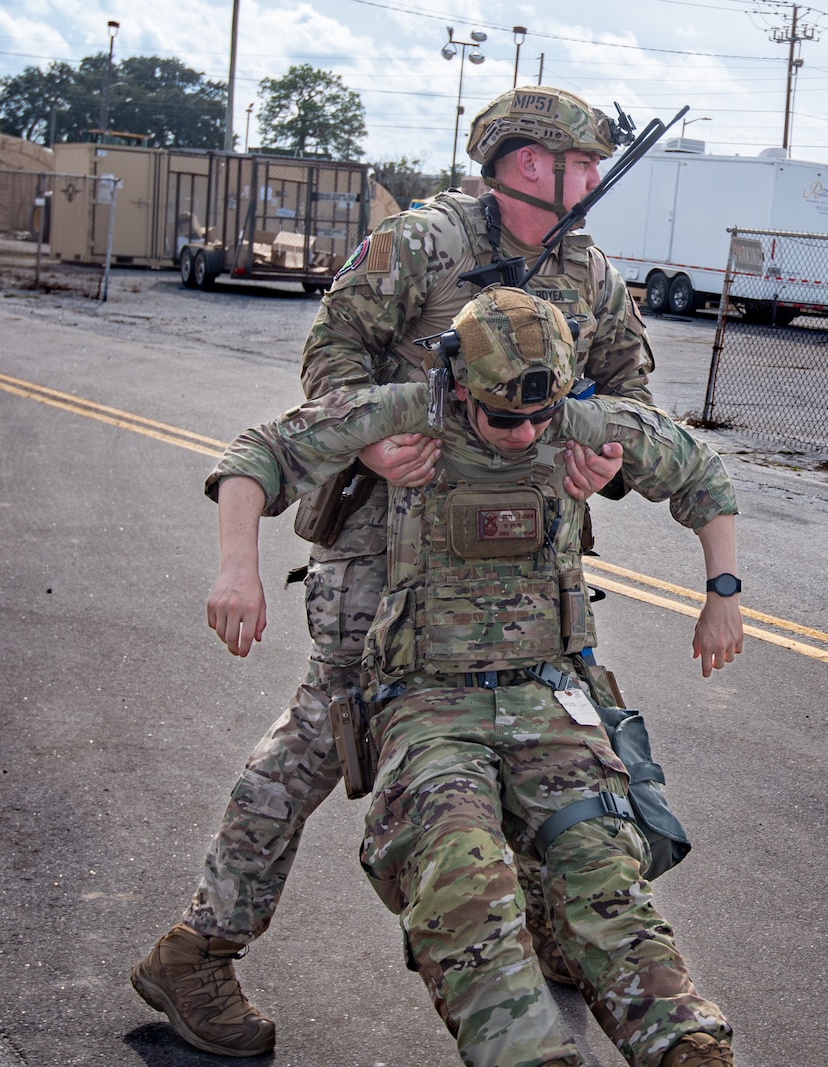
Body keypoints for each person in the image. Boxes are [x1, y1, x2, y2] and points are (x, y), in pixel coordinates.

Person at [134, 86, 659, 1057]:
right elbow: (331, 352)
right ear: (517, 161)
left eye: (593, 166)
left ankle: (559, 930)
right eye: (569, 163)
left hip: (519, 554)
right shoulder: (417, 244)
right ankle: (199, 948)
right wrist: (371, 445)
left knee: (546, 729)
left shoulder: (591, 271)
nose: (585, 183)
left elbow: (628, 388)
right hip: (385, 545)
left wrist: (610, 453)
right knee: (326, 735)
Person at [200, 286, 742, 1067]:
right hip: (428, 699)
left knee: (601, 859)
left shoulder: (580, 423)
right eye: (503, 419)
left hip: (546, 692)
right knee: (461, 865)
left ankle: (686, 1045)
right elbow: (254, 455)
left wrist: (722, 593)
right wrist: (236, 570)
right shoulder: (403, 413)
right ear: (459, 384)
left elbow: (701, 472)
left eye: (539, 417)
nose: (525, 435)